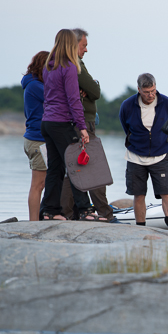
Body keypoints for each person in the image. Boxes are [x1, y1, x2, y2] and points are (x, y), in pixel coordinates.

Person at [39, 29, 100, 222]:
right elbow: (73, 99)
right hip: (61, 123)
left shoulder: (48, 66)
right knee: (75, 166)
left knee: (55, 168)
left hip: (47, 123)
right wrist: (82, 127)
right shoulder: (70, 66)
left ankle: (49, 211)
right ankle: (85, 210)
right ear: (71, 45)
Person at [59, 29, 113, 221]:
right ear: (74, 46)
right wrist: (92, 85)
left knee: (71, 169)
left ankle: (65, 213)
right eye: (84, 45)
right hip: (83, 123)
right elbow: (95, 91)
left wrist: (90, 86)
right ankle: (104, 213)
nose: (86, 50)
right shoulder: (76, 65)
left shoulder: (62, 65)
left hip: (72, 123)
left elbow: (90, 88)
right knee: (94, 167)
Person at [119, 73, 168, 227]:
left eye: (153, 91)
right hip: (135, 156)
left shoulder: (167, 103)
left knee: (166, 193)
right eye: (146, 92)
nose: (151, 95)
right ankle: (140, 227)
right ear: (138, 89)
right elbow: (125, 126)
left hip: (161, 154)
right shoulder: (127, 105)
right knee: (139, 195)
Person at [22, 51, 49, 221]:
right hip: (38, 139)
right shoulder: (36, 86)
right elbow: (57, 100)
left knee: (42, 183)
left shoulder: (34, 84)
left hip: (37, 138)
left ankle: (40, 217)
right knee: (38, 185)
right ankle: (33, 223)